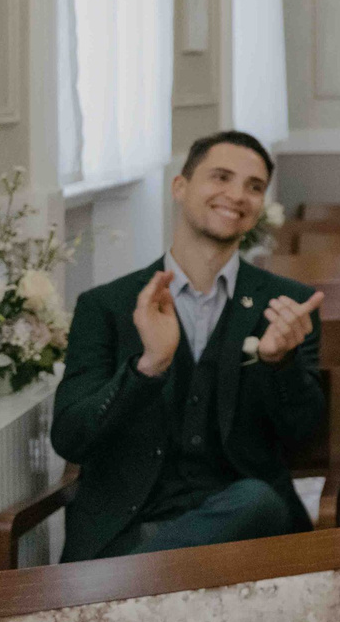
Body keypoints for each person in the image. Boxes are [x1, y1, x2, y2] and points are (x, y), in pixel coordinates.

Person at [51, 131, 325, 560]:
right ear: (180, 187)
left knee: (257, 499)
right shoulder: (107, 306)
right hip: (130, 524)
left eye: (254, 187)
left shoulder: (285, 305)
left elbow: (303, 438)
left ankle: (124, 581)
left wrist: (281, 363)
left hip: (241, 527)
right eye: (221, 177)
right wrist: (146, 368)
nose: (237, 195)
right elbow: (70, 438)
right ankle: (151, 573)